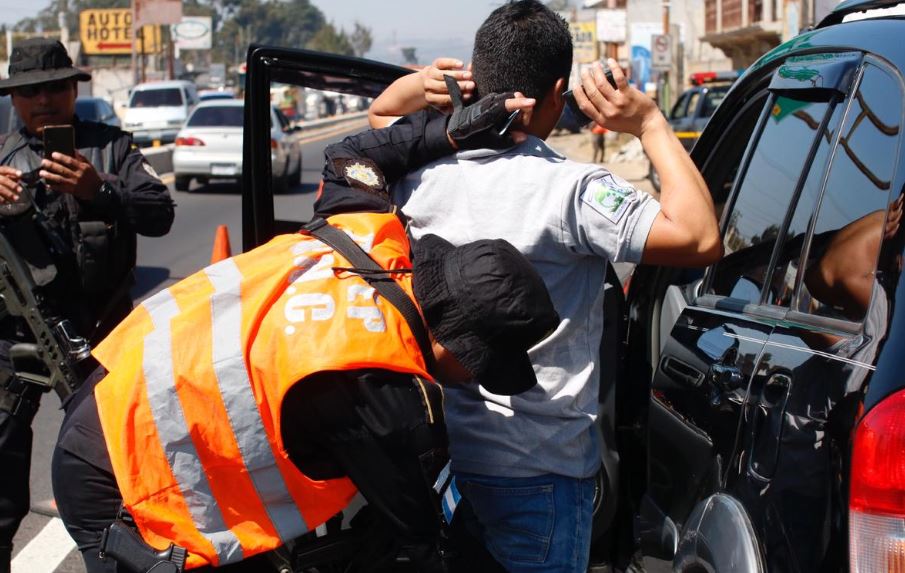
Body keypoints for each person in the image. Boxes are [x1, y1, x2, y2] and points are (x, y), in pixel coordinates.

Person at [52, 91, 542, 572]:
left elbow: (352, 154)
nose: (472, 380)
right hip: (123, 477)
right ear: (457, 342)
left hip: (110, 389)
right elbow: (420, 538)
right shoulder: (385, 392)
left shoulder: (367, 234)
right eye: (477, 367)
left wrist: (452, 131)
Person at [366, 1, 722, 570]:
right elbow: (701, 238)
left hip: (448, 460)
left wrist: (420, 84)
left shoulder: (420, 169)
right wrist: (650, 123)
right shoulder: (572, 190)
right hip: (541, 473)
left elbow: (382, 117)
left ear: (475, 80)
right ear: (558, 92)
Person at [0, 38, 174, 571]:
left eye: (55, 87)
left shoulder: (111, 149)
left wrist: (99, 190)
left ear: (74, 89)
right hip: (15, 340)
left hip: (104, 337)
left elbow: (159, 213)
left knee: (125, 470)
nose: (43, 101)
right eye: (30, 92)